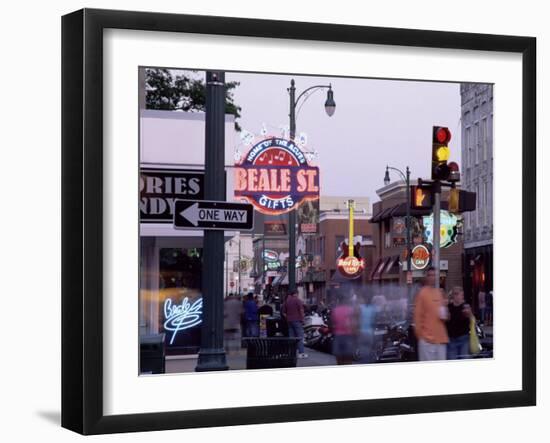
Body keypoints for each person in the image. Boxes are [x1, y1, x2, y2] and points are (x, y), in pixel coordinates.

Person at [413, 268, 449, 361]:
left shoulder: (439, 293)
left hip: (441, 339)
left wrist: (445, 313)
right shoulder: (422, 293)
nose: (432, 277)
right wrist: (421, 337)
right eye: (430, 275)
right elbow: (417, 316)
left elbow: (445, 316)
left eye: (434, 275)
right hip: (427, 341)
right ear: (426, 277)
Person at [446, 287, 472, 360]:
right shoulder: (449, 306)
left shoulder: (465, 306)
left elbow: (471, 318)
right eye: (455, 294)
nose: (458, 296)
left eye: (460, 294)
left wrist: (469, 313)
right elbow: (446, 320)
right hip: (451, 339)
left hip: (463, 338)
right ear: (453, 296)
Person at [331, 293, 357, 365]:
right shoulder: (351, 310)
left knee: (339, 360)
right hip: (348, 336)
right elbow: (354, 324)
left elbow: (331, 324)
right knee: (348, 359)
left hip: (338, 336)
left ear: (339, 301)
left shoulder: (335, 310)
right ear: (347, 301)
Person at [281, 290, 307, 358]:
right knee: (299, 337)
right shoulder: (298, 300)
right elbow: (301, 310)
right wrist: (302, 319)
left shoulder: (287, 301)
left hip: (289, 321)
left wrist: (288, 317)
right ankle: (301, 353)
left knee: (291, 337)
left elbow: (283, 312)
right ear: (296, 294)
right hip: (297, 320)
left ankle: (292, 352)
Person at [357, 294, 376, 363]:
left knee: (363, 348)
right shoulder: (373, 308)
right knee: (369, 348)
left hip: (363, 331)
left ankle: (364, 361)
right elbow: (375, 320)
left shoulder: (361, 307)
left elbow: (358, 319)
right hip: (369, 332)